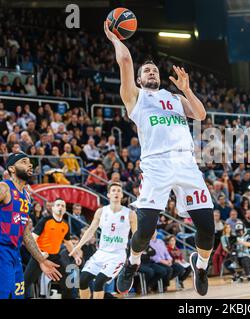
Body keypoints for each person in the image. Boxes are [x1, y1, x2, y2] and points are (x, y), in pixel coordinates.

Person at [104, 21, 215, 297]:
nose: (151, 72)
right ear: (140, 80)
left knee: (207, 228)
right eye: (146, 71)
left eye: (154, 69)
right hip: (156, 165)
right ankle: (132, 263)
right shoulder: (135, 97)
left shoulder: (174, 97)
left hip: (186, 163)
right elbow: (127, 60)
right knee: (145, 230)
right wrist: (115, 38)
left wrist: (187, 89)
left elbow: (200, 115)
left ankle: (200, 266)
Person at [0, 152, 61, 299]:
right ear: (12, 169)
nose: (30, 164)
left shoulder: (26, 196)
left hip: (15, 253)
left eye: (30, 162)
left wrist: (41, 260)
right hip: (2, 251)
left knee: (19, 295)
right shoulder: (4, 188)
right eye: (24, 161)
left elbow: (26, 233)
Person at [70, 183, 137, 299]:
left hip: (117, 255)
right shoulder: (101, 212)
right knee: (83, 280)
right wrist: (78, 246)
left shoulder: (130, 214)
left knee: (99, 282)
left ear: (122, 195)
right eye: (113, 190)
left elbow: (136, 236)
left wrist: (135, 256)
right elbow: (91, 230)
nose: (116, 192)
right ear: (108, 195)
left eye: (118, 190)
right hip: (101, 253)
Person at [24, 198, 82, 299]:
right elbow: (32, 239)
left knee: (68, 284)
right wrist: (39, 256)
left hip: (55, 257)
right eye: (58, 205)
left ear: (65, 210)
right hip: (39, 255)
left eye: (63, 206)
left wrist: (76, 255)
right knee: (25, 283)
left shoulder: (65, 224)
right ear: (53, 208)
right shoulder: (45, 220)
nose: (60, 207)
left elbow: (68, 243)